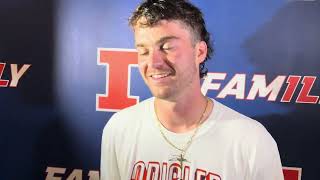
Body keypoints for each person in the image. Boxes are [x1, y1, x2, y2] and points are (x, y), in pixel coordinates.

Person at [101, 0, 284, 179]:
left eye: (167, 47)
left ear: (200, 52)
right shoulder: (119, 128)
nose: (153, 62)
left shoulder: (251, 141)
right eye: (144, 51)